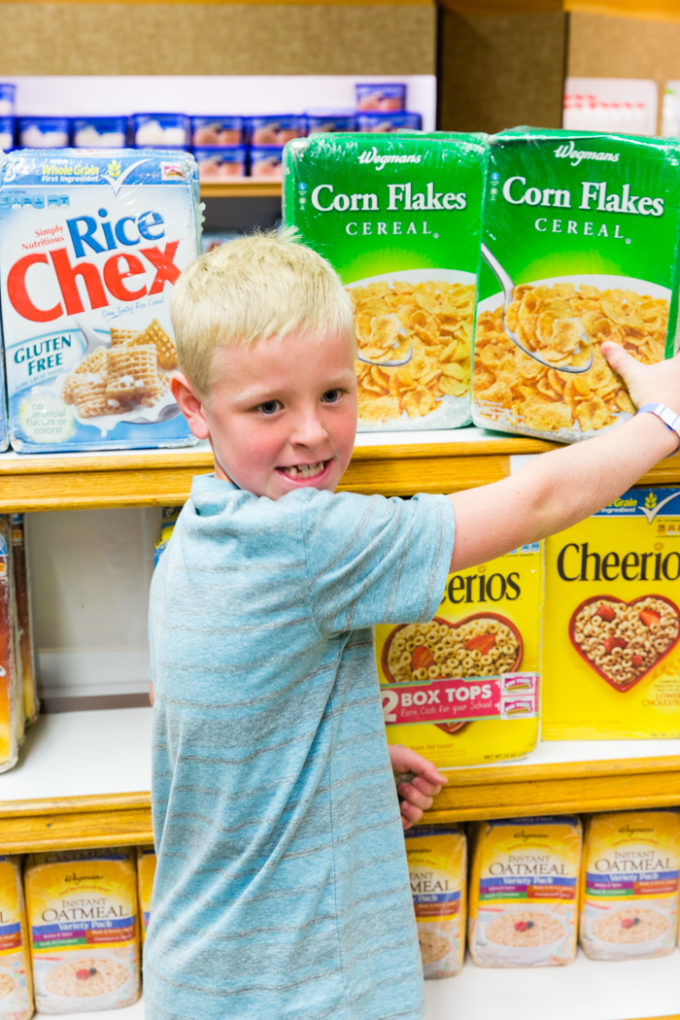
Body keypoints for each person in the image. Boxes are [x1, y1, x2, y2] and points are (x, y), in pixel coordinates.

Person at [144, 229, 680, 1020]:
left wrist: (343, 754)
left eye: (335, 392)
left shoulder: (206, 526)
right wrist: (663, 415)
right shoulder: (307, 540)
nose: (314, 432)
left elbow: (213, 719)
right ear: (193, 405)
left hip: (208, 973)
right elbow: (539, 501)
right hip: (300, 992)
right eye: (269, 406)